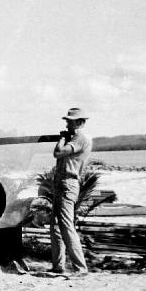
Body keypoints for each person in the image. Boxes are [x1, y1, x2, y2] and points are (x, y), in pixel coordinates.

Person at [50, 107, 93, 274]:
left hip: (67, 183)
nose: (67, 123)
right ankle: (58, 266)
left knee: (66, 226)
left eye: (69, 121)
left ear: (79, 122)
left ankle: (80, 267)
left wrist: (61, 138)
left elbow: (58, 152)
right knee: (55, 226)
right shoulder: (76, 137)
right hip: (62, 182)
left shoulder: (80, 137)